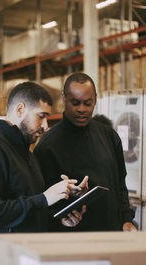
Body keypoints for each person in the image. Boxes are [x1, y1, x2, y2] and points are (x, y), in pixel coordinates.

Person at [0, 82, 83, 265]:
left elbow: (27, 211)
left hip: (26, 257)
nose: (45, 126)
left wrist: (60, 216)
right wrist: (44, 198)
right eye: (41, 117)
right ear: (20, 109)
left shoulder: (27, 155)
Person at [34, 72, 137, 232]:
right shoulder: (48, 146)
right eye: (75, 103)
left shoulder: (109, 136)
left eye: (87, 103)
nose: (81, 109)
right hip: (74, 236)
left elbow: (120, 184)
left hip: (112, 232)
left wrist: (126, 219)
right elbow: (42, 202)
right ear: (63, 99)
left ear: (95, 99)